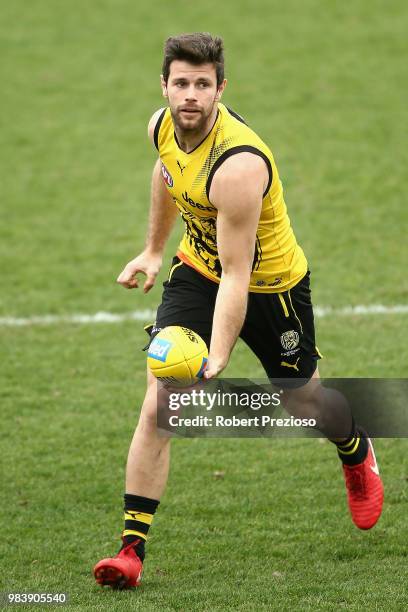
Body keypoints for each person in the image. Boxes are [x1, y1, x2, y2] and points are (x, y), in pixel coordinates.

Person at [93, 33, 384, 589]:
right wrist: (154, 249)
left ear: (220, 90)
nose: (190, 96)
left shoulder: (239, 165)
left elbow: (239, 275)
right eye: (181, 83)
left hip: (269, 285)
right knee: (162, 401)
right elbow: (167, 171)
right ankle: (131, 552)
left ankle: (354, 446)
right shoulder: (161, 126)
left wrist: (219, 354)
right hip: (198, 270)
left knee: (304, 401)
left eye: (203, 85)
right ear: (165, 85)